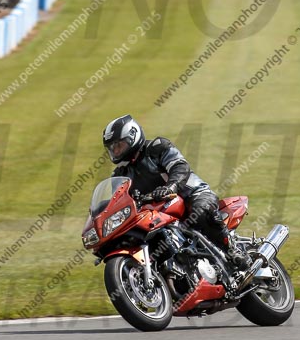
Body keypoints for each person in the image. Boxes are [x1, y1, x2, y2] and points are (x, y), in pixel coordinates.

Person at [103, 114, 250, 270]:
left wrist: (171, 186)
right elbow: (117, 201)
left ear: (132, 136)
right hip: (158, 212)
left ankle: (232, 250)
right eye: (112, 148)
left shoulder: (157, 147)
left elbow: (179, 166)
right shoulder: (119, 175)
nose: (116, 150)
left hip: (190, 194)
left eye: (119, 145)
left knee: (201, 211)